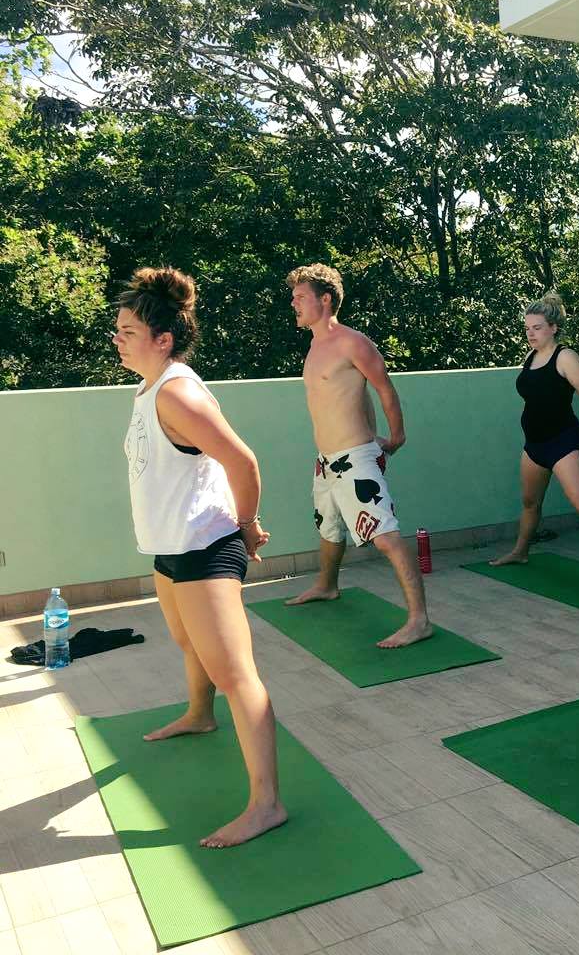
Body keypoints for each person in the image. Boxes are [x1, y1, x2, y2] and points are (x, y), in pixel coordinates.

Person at [115, 267, 286, 848]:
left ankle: (266, 804)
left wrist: (246, 527)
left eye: (129, 330)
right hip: (171, 546)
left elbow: (244, 462)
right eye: (118, 328)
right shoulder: (149, 387)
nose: (119, 337)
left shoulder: (179, 395)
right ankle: (197, 713)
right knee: (190, 644)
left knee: (238, 676)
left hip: (205, 546)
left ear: (163, 339)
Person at [282, 264, 433, 648]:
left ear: (326, 299)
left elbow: (384, 388)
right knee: (329, 526)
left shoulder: (353, 342)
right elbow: (354, 395)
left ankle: (419, 620)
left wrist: (394, 438)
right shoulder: (316, 345)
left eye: (301, 297)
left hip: (355, 458)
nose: (293, 303)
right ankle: (327, 585)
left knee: (385, 536)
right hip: (327, 459)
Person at [489, 292, 579, 595]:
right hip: (534, 444)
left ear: (553, 327)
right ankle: (521, 551)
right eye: (527, 328)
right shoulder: (530, 357)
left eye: (536, 327)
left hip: (563, 442)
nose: (530, 333)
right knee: (529, 503)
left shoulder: (566, 357)